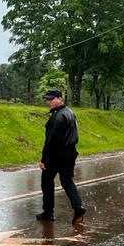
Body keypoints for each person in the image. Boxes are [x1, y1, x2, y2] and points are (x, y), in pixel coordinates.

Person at [36, 89, 85, 223]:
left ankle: (48, 212)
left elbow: (51, 141)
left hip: (57, 154)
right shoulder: (70, 112)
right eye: (47, 100)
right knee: (67, 181)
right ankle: (78, 206)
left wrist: (44, 159)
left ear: (59, 98)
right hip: (70, 152)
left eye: (51, 99)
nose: (48, 102)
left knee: (46, 181)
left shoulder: (57, 117)